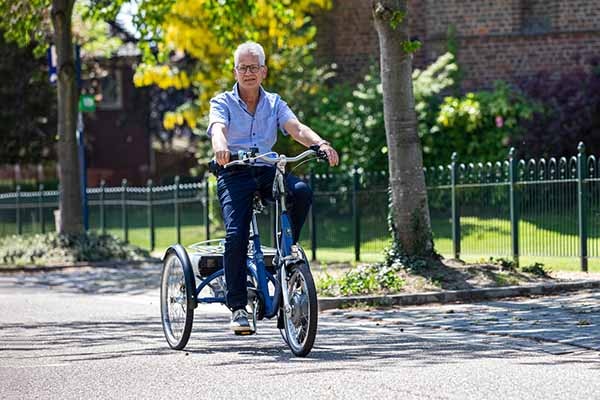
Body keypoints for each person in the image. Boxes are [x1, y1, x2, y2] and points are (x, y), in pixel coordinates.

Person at [207, 41, 339, 333]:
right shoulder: (222, 102)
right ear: (235, 71)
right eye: (243, 68)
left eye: (253, 67)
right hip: (234, 172)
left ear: (263, 72)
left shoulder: (274, 103)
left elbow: (296, 128)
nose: (248, 73)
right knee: (236, 234)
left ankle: (287, 255)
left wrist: (320, 143)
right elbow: (218, 128)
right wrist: (221, 148)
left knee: (301, 191)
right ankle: (239, 307)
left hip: (266, 169)